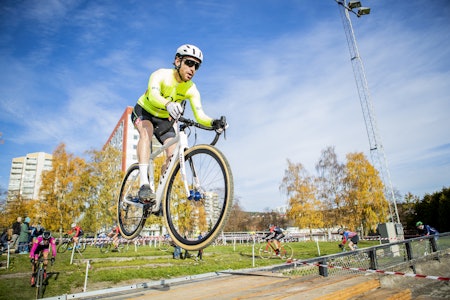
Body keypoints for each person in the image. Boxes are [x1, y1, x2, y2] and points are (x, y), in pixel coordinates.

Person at [131, 44, 227, 203]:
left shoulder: (191, 89)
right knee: (146, 132)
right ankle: (144, 185)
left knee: (173, 154)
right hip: (145, 111)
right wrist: (168, 104)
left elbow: (200, 115)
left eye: (196, 66)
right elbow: (153, 95)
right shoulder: (160, 75)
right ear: (177, 61)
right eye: (189, 63)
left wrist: (213, 122)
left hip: (164, 121)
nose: (193, 69)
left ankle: (160, 194)